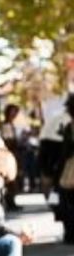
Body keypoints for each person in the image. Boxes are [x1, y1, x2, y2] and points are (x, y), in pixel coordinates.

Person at [56, 93, 74, 244]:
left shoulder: (70, 127)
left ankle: (70, 233)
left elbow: (66, 151)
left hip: (71, 169)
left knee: (68, 201)